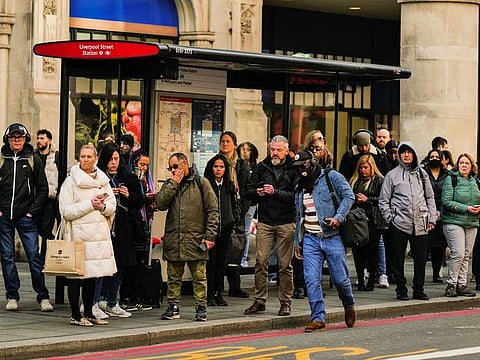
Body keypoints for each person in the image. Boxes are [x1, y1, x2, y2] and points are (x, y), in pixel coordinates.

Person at [291, 150, 356, 332]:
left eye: (303, 166)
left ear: (311, 163)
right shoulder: (299, 186)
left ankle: (349, 305)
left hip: (332, 237)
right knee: (311, 279)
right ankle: (318, 318)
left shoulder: (331, 176)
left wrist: (339, 217)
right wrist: (298, 242)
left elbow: (349, 196)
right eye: (297, 168)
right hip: (311, 238)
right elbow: (298, 216)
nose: (301, 171)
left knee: (340, 280)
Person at [58, 144, 117, 326]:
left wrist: (103, 207)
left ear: (96, 159)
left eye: (89, 157)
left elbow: (112, 205)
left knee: (93, 275)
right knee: (77, 276)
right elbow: (66, 211)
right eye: (82, 156)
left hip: (98, 236)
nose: (85, 160)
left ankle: (90, 312)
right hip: (79, 235)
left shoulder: (103, 179)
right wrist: (90, 205)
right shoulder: (71, 181)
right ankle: (76, 315)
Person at [156, 153, 219, 321]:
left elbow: (213, 211)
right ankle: (173, 306)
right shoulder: (171, 184)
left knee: (199, 277)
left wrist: (210, 236)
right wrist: (173, 184)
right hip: (175, 238)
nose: (173, 171)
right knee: (173, 277)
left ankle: (201, 307)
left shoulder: (201, 183)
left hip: (196, 238)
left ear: (185, 164)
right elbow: (160, 204)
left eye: (175, 167)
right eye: (170, 168)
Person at [0, 123, 52, 312]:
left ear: (25, 139)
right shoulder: (1, 158)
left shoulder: (33, 159)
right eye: (13, 137)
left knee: (34, 257)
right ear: (7, 139)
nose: (16, 140)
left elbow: (43, 188)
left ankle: (43, 296)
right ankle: (12, 296)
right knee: (7, 257)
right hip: (4, 217)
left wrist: (32, 211)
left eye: (20, 137)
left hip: (26, 217)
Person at [244, 135, 297, 317]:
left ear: (286, 150)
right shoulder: (262, 167)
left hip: (286, 221)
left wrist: (275, 192)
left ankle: (285, 302)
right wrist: (257, 192)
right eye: (272, 149)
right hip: (265, 220)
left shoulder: (293, 168)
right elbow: (248, 191)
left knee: (285, 265)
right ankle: (259, 300)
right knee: (261, 261)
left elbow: (295, 196)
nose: (275, 153)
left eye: (278, 150)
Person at [379, 141, 437, 301]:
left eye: (409, 152)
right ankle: (401, 289)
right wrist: (390, 218)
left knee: (420, 259)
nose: (406, 155)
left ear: (414, 155)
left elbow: (430, 197)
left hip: (421, 223)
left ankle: (419, 289)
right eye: (403, 152)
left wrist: (432, 217)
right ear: (399, 155)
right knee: (397, 259)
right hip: (399, 223)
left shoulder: (422, 174)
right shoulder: (392, 175)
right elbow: (383, 200)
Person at [96, 142, 145, 317]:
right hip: (103, 225)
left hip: (123, 227)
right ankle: (99, 298)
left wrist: (127, 195)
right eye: (110, 159)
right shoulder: (99, 176)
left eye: (116, 158)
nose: (113, 163)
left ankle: (112, 300)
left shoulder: (128, 176)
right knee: (102, 264)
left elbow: (139, 201)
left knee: (120, 265)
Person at [204, 132, 250, 298]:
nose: (225, 144)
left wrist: (237, 213)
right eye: (222, 141)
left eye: (228, 141)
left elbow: (244, 190)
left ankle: (234, 286)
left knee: (235, 251)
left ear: (234, 144)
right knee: (215, 258)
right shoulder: (214, 163)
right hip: (216, 221)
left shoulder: (241, 165)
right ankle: (214, 291)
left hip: (233, 215)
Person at [119, 148, 157, 311]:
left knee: (141, 260)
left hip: (145, 221)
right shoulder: (129, 177)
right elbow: (130, 199)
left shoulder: (146, 180)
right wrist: (142, 198)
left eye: (147, 165)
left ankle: (137, 293)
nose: (144, 168)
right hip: (133, 222)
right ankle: (126, 295)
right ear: (134, 163)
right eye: (142, 164)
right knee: (131, 262)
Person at [204, 154, 241, 306]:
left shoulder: (229, 185)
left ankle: (219, 292)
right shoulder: (206, 184)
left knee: (221, 263)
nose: (218, 170)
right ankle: (209, 294)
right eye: (215, 166)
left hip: (225, 228)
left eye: (221, 167)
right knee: (210, 263)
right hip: (211, 230)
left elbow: (236, 204)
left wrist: (234, 218)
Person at [441, 153, 480, 297]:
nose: (464, 165)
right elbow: (446, 201)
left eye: (467, 163)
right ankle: (451, 284)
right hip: (453, 221)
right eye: (461, 163)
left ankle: (461, 284)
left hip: (472, 222)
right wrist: (466, 208)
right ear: (458, 165)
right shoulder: (451, 179)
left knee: (467, 255)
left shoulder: (476, 182)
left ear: (472, 166)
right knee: (458, 253)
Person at [349, 154, 388, 291]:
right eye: (361, 168)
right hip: (358, 219)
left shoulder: (380, 180)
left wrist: (368, 199)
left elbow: (383, 199)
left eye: (366, 167)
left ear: (372, 167)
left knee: (373, 250)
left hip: (374, 219)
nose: (363, 170)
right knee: (359, 250)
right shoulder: (355, 181)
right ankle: (360, 279)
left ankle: (371, 280)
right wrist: (356, 199)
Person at [34, 129, 59, 263]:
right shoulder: (33, 156)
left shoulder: (56, 156)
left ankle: (43, 258)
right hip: (36, 199)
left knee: (46, 227)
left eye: (42, 138)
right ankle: (50, 242)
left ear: (49, 141)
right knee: (38, 227)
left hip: (50, 198)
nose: (39, 141)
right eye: (38, 138)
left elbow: (68, 172)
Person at [424, 149, 448, 283]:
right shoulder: (423, 173)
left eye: (436, 156)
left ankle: (436, 272)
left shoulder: (447, 175)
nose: (434, 158)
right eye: (431, 156)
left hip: (441, 213)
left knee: (439, 246)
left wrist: (440, 211)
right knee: (425, 244)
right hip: (425, 212)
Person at [237, 141, 259, 268]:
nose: (244, 152)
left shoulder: (256, 167)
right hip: (239, 202)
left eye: (247, 149)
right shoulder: (238, 165)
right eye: (242, 149)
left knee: (246, 231)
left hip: (250, 203)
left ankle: (243, 258)